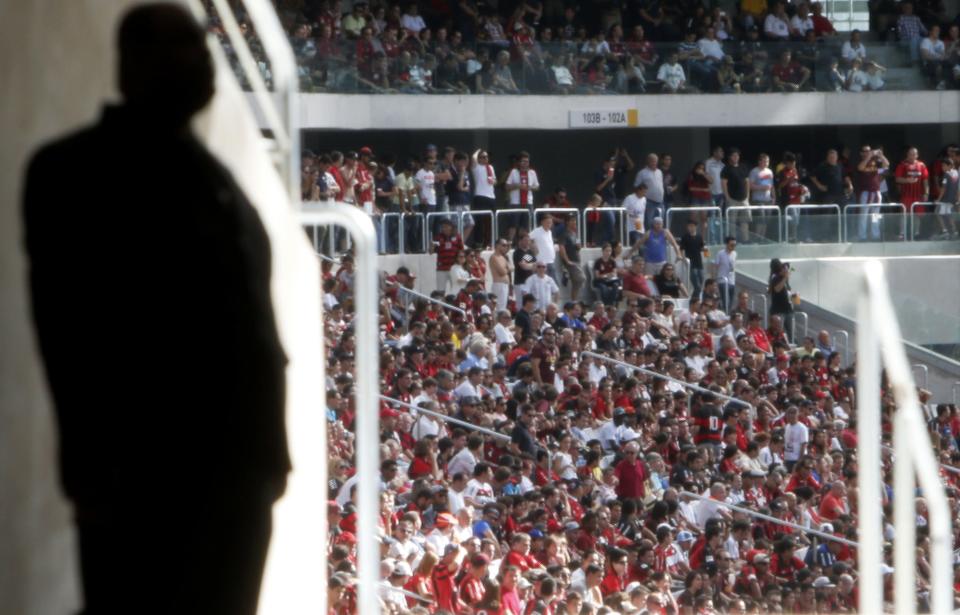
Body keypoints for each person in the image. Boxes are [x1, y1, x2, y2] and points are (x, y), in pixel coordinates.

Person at [23, 5, 287, 613]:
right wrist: (94, 474)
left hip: (238, 476)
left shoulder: (216, 177)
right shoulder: (75, 172)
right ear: (129, 64)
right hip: (141, 478)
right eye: (179, 49)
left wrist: (268, 462)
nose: (200, 64)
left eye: (201, 48)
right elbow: (68, 332)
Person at [678, 219, 706, 300]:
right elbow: (682, 248)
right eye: (689, 226)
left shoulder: (699, 236)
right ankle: (695, 300)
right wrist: (683, 258)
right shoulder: (685, 237)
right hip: (691, 264)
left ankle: (694, 299)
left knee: (700, 282)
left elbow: (702, 247)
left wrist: (705, 250)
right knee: (697, 285)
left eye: (692, 226)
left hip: (699, 263)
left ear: (695, 227)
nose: (691, 228)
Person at [768, 258, 795, 342]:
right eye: (785, 268)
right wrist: (784, 278)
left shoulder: (785, 280)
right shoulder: (776, 278)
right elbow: (777, 289)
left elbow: (788, 293)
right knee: (780, 332)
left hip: (788, 310)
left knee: (791, 333)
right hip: (779, 311)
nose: (787, 270)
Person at [712, 236, 737, 311]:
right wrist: (714, 280)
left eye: (734, 245)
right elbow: (715, 266)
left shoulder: (735, 253)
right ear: (727, 244)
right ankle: (725, 312)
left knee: (731, 301)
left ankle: (728, 312)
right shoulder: (720, 253)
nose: (733, 247)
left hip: (731, 280)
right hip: (723, 280)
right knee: (725, 300)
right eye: (731, 245)